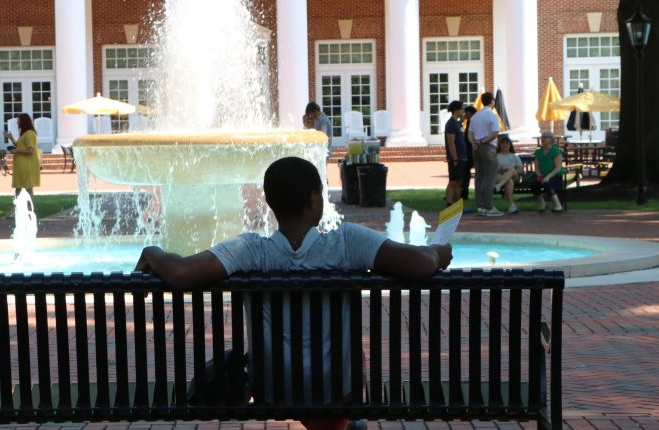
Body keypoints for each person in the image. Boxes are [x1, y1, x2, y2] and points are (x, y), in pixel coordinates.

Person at [135, 157, 452, 430]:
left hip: (274, 391)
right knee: (354, 354)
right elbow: (422, 263)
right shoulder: (346, 242)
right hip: (335, 393)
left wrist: (153, 251)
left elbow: (179, 273)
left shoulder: (251, 250)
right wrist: (438, 252)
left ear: (272, 203)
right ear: (314, 199)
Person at [469, 93, 502, 217]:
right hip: (488, 148)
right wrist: (483, 141)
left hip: (476, 148)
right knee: (489, 177)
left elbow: (470, 133)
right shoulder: (492, 116)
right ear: (492, 101)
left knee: (479, 177)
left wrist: (474, 143)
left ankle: (481, 206)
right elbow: (494, 133)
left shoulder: (476, 116)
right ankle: (489, 206)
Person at [5, 113, 42, 208]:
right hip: (21, 166)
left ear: (24, 121)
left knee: (28, 188)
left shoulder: (29, 134)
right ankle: (15, 210)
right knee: (18, 188)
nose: (17, 122)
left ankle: (30, 209)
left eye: (19, 120)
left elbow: (30, 150)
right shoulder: (25, 134)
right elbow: (19, 145)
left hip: (27, 166)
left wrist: (16, 151)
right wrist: (11, 138)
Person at [532, 130, 565, 213]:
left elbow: (558, 167)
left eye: (545, 137)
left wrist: (548, 176)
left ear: (551, 139)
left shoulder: (556, 151)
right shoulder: (538, 152)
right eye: (542, 137)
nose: (543, 139)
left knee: (547, 183)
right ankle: (542, 203)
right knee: (534, 184)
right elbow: (537, 168)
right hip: (542, 176)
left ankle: (558, 205)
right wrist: (539, 176)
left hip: (555, 176)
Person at [443, 100, 469, 205]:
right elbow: (451, 143)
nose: (463, 111)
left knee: (459, 182)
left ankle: (457, 204)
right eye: (462, 108)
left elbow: (462, 120)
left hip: (462, 157)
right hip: (456, 158)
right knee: (453, 181)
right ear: (456, 110)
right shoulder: (451, 124)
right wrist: (454, 158)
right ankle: (449, 202)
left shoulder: (457, 123)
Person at [494, 136, 524, 215]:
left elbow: (521, 170)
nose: (505, 145)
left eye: (507, 143)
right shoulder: (496, 156)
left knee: (512, 170)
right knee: (509, 181)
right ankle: (512, 205)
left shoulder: (515, 156)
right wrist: (499, 169)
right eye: (503, 143)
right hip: (499, 176)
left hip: (514, 177)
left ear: (510, 145)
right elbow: (492, 171)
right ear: (499, 145)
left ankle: (499, 186)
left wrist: (508, 169)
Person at [460, 105, 478, 204]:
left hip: (470, 151)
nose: (464, 115)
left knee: (466, 173)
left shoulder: (472, 122)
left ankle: (464, 193)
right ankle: (464, 193)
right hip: (468, 150)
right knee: (466, 173)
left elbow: (469, 137)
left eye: (465, 113)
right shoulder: (469, 122)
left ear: (470, 113)